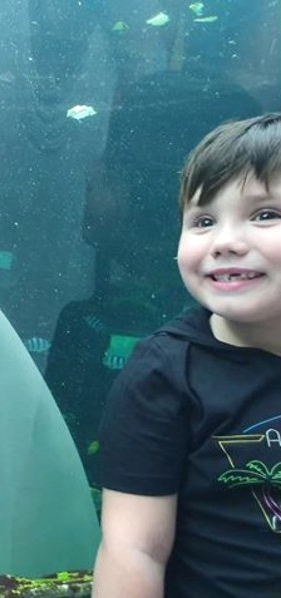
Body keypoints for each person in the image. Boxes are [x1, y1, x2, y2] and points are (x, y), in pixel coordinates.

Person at [92, 112, 281, 597]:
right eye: (203, 221)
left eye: (265, 215)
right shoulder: (166, 373)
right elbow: (133, 549)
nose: (225, 242)